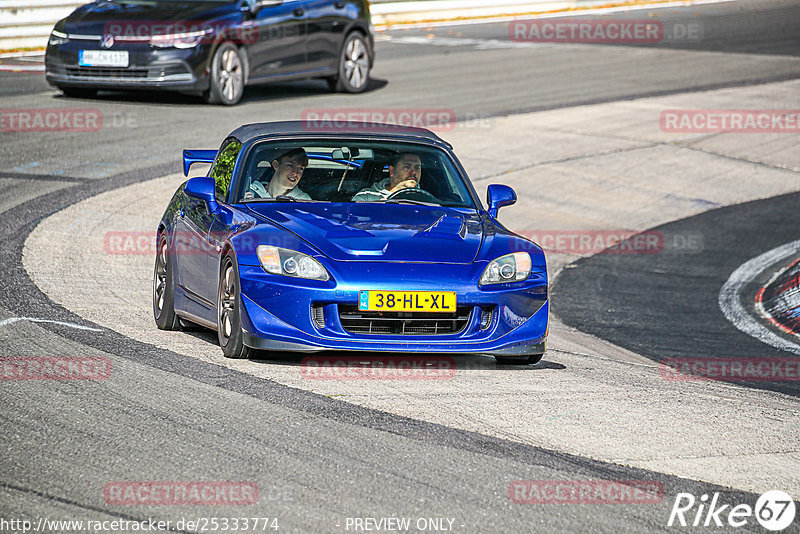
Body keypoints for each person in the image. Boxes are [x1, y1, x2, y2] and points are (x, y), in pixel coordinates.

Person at [351, 152, 422, 202]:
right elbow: (353, 217)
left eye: (417, 168)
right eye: (407, 167)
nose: (413, 172)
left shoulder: (426, 199)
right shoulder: (366, 196)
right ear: (391, 171)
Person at [246, 147, 312, 200]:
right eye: (290, 166)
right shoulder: (251, 192)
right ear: (276, 165)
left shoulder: (304, 201)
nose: (295, 173)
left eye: (301, 168)